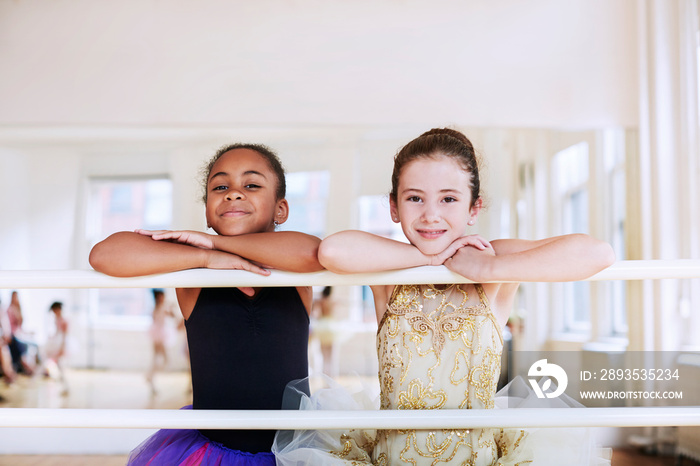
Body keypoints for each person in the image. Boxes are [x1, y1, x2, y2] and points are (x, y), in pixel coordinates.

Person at [273, 128, 615, 465]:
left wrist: (487, 269)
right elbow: (333, 250)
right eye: (415, 198)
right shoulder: (388, 274)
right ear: (394, 207)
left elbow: (598, 253)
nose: (431, 214)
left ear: (474, 208)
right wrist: (434, 257)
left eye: (448, 199)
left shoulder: (491, 261)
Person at [89, 143, 323, 466]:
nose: (233, 194)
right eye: (221, 186)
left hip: (294, 454)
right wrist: (205, 255)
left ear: (281, 210)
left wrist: (216, 242)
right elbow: (104, 255)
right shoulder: (193, 273)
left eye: (251, 185)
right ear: (207, 211)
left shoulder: (291, 269)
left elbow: (315, 251)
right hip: (213, 452)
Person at [145, 288, 176, 395]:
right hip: (160, 335)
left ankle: (151, 378)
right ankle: (150, 377)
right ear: (159, 297)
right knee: (164, 360)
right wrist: (171, 307)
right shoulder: (161, 308)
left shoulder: (156, 308)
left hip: (157, 334)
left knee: (157, 359)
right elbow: (172, 316)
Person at [43, 301, 69, 395]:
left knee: (60, 366)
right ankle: (64, 387)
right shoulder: (56, 319)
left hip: (61, 343)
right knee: (58, 366)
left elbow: (65, 335)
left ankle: (65, 387)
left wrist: (62, 347)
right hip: (56, 342)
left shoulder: (64, 320)